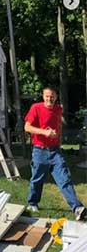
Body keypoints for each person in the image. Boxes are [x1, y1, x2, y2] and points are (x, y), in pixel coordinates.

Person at [24, 87, 86, 221]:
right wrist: (44, 132)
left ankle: (77, 208)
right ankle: (32, 203)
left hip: (55, 151)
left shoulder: (58, 109)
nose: (49, 99)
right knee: (37, 179)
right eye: (47, 96)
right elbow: (27, 127)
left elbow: (58, 125)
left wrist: (58, 138)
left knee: (64, 179)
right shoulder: (36, 108)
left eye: (52, 96)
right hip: (39, 151)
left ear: (56, 97)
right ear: (43, 96)